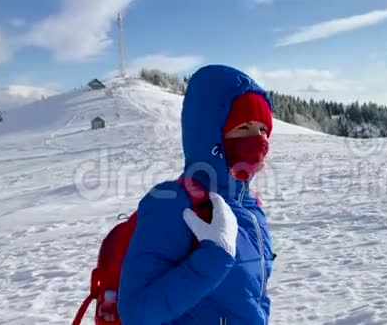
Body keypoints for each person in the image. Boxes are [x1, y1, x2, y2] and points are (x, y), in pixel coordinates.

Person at [118, 64, 275, 324]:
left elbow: (255, 297)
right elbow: (135, 313)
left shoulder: (251, 206)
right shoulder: (173, 202)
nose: (257, 139)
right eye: (244, 127)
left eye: (263, 130)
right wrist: (215, 257)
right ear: (211, 134)